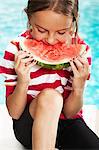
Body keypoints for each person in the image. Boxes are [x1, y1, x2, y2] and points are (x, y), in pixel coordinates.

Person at [0, 0, 99, 149]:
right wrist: (23, 81)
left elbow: (70, 114)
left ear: (73, 21)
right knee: (50, 96)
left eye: (61, 32)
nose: (51, 40)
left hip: (65, 122)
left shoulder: (81, 52)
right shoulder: (16, 49)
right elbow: (14, 113)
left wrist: (79, 88)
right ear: (29, 19)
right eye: (41, 30)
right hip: (28, 125)